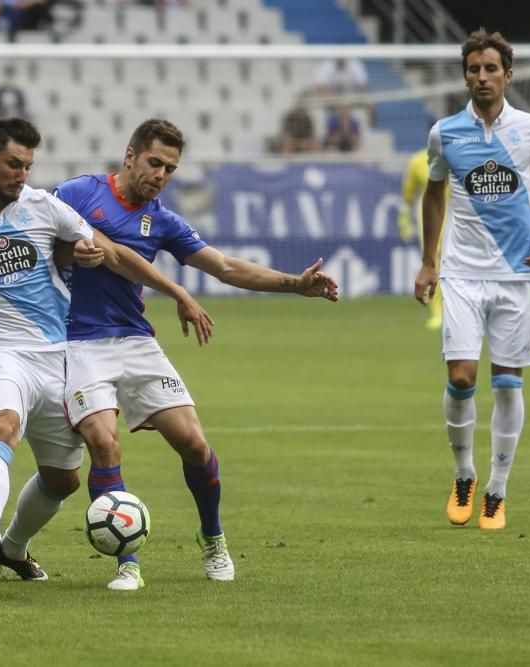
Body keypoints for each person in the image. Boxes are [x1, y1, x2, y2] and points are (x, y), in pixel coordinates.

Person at [0, 117, 212, 581]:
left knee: (64, 479)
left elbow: (107, 252)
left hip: (58, 356)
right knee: (3, 423)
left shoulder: (44, 207)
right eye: (14, 164)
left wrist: (110, 264)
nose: (22, 175)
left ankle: (12, 548)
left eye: (29, 166)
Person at [54, 118, 339, 591]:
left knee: (193, 443)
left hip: (136, 341)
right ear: (130, 156)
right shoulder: (79, 193)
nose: (161, 175)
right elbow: (40, 237)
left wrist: (295, 284)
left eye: (170, 168)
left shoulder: (162, 221)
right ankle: (128, 562)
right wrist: (70, 254)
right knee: (104, 442)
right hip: (80, 343)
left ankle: (214, 538)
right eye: (154, 163)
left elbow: (225, 267)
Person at [413, 29, 530, 531]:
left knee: (506, 384)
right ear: (466, 75)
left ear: (508, 74)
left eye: (491, 69)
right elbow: (433, 194)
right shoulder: (445, 133)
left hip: (518, 273)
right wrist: (428, 261)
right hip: (462, 273)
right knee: (461, 377)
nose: (482, 77)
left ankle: (497, 491)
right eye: (474, 69)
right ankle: (465, 475)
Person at [398, 146, 442, 331]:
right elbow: (408, 196)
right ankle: (438, 312)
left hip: (458, 219)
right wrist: (404, 221)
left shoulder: (458, 153)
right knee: (433, 264)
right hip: (430, 221)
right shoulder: (417, 161)